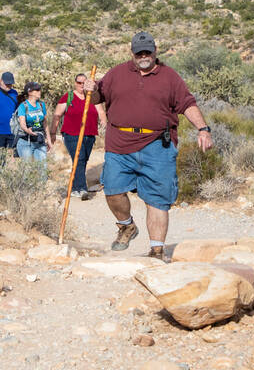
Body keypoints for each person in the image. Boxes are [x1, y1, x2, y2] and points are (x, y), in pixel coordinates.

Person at [84, 31, 213, 260]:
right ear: (131, 53)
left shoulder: (170, 77)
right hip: (120, 142)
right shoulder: (117, 73)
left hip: (157, 145)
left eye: (147, 52)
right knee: (112, 189)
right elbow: (97, 98)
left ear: (155, 51)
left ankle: (156, 250)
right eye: (139, 52)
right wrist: (92, 91)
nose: (143, 56)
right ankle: (126, 226)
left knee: (157, 198)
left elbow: (187, 103)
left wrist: (203, 129)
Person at [53, 71, 106, 200]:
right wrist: (52, 133)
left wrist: (105, 124)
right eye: (79, 82)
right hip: (71, 134)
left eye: (84, 82)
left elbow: (101, 113)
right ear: (75, 83)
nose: (81, 85)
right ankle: (82, 189)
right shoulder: (68, 96)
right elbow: (57, 115)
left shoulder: (93, 97)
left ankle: (75, 189)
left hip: (89, 135)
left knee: (82, 161)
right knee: (79, 159)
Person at [14, 82, 52, 161]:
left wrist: (49, 140)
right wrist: (27, 130)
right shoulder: (23, 106)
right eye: (37, 90)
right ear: (30, 92)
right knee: (28, 170)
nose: (39, 92)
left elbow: (45, 124)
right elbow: (22, 123)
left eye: (40, 90)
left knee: (42, 169)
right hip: (25, 142)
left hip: (39, 141)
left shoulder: (41, 105)